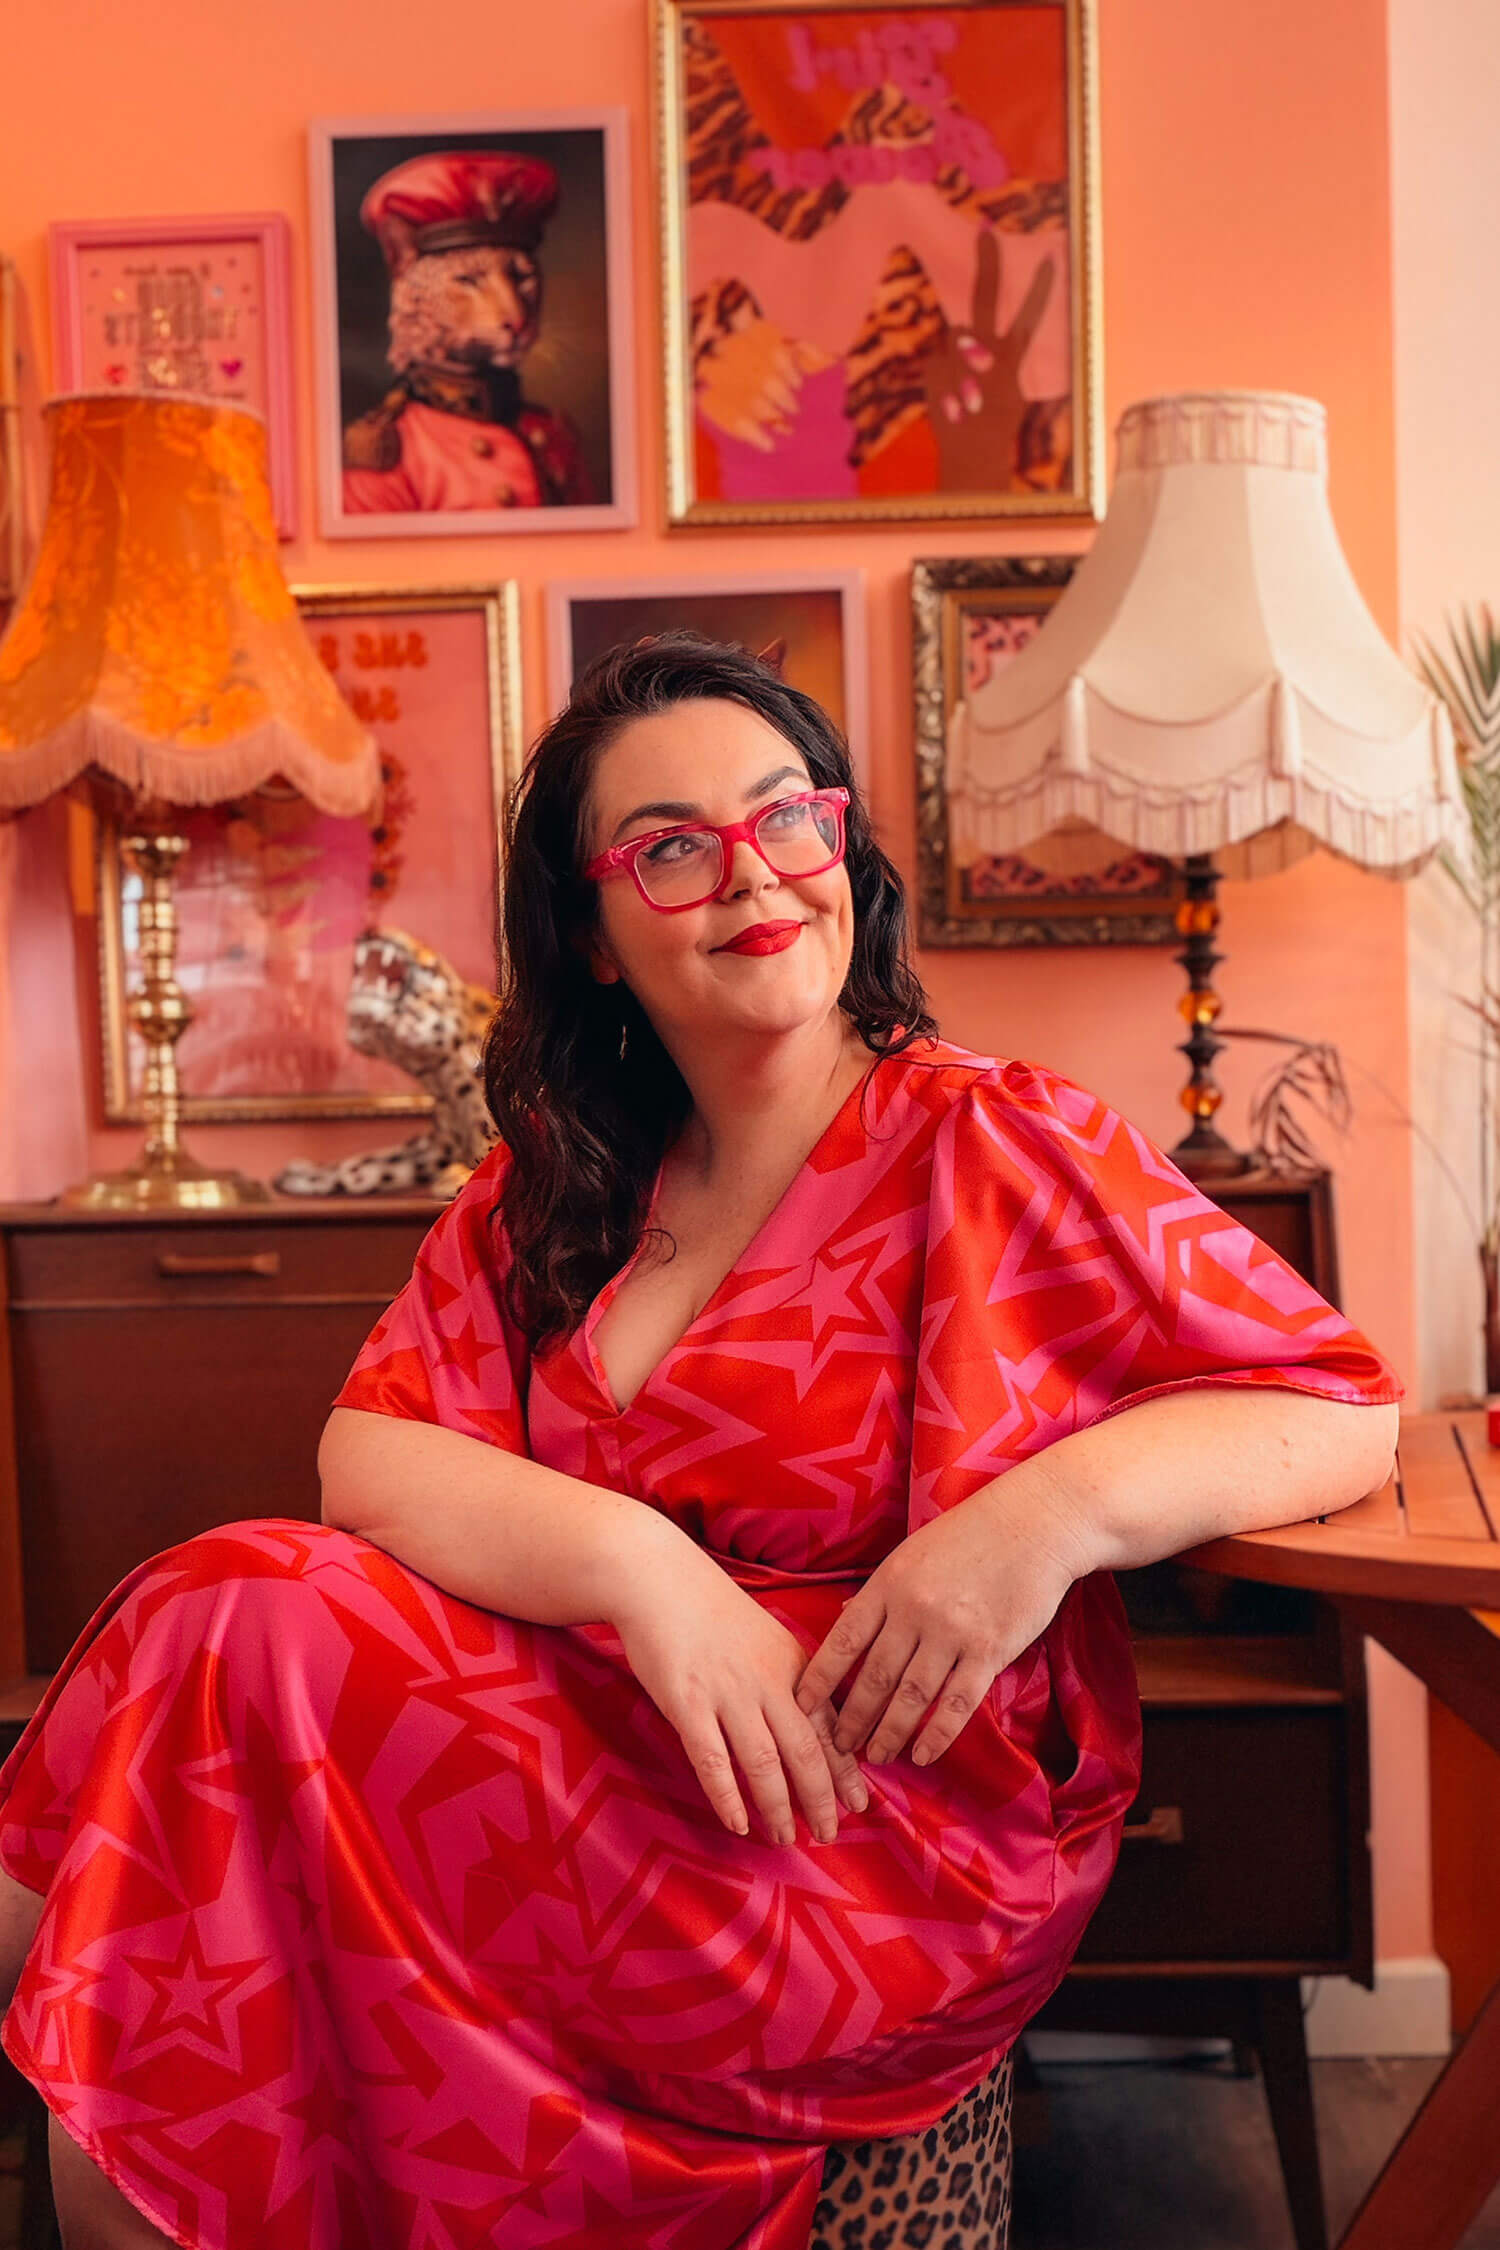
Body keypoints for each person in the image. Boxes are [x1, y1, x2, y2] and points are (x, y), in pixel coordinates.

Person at [0, 632, 1400, 2249]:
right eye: (672, 848)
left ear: (841, 846)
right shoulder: (558, 1190)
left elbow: (1335, 1406)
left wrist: (1040, 1521)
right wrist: (642, 1567)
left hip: (844, 1822)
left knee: (203, 1699)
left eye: (786, 816)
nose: (753, 877)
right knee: (226, 1640)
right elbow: (370, 1461)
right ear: (593, 934)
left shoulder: (989, 1138)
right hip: (589, 1765)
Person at [340, 149, 595, 514]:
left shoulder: (555, 434)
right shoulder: (388, 448)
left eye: (521, 278)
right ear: (409, 278)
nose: (513, 312)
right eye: (469, 281)